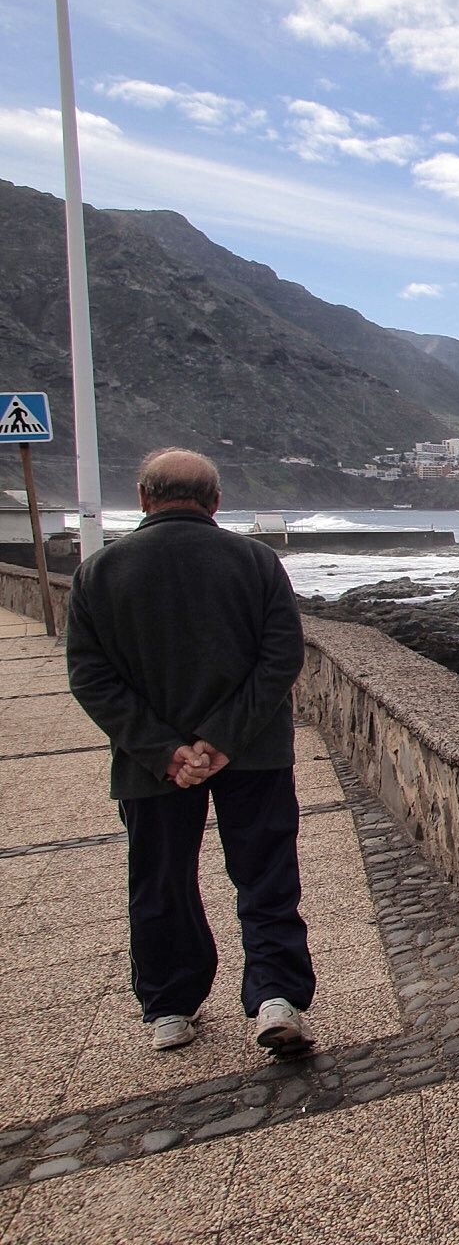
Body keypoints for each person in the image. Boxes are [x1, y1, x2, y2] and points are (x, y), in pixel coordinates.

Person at [65, 448, 315, 1055]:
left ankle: (170, 1008)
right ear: (216, 501)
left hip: (151, 764)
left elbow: (90, 676)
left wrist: (167, 749)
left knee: (161, 882)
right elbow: (281, 656)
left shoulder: (99, 572)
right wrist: (224, 739)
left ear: (143, 498)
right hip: (252, 754)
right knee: (265, 874)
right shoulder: (257, 562)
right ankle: (275, 996)